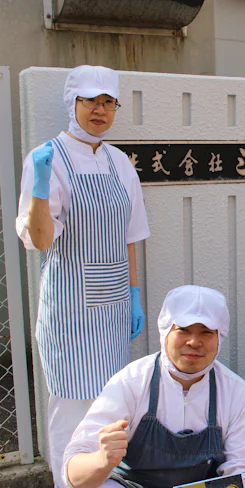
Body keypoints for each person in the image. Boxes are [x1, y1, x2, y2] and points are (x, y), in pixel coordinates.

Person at [15, 65, 149, 487]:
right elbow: (40, 239)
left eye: (108, 102)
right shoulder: (47, 158)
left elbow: (129, 236)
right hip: (69, 309)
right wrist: (40, 188)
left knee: (111, 405)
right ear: (71, 103)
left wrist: (133, 293)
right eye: (90, 100)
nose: (99, 110)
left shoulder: (119, 162)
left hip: (113, 307)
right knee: (71, 411)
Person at [63, 285, 245, 488]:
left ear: (220, 338)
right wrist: (102, 459)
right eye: (183, 330)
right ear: (165, 331)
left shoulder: (235, 392)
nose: (194, 341)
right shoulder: (130, 382)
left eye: (206, 332)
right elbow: (74, 474)